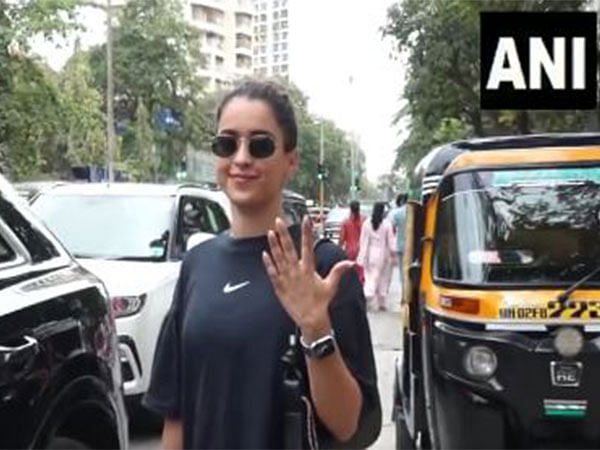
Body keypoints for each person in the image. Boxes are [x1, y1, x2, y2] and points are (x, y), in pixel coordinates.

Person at [143, 80, 381, 449]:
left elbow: (350, 425)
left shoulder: (320, 268)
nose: (241, 158)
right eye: (227, 143)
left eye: (260, 144)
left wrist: (316, 328)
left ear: (291, 160)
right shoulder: (197, 265)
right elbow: (177, 413)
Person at [357, 202, 395, 311]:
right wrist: (394, 254)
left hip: (369, 254)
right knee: (383, 278)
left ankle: (368, 294)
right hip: (383, 255)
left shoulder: (367, 223)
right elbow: (391, 242)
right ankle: (381, 302)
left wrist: (362, 255)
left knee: (370, 277)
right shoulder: (387, 224)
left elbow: (362, 240)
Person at [338, 200, 365, 283]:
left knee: (351, 274)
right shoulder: (364, 220)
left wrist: (338, 249)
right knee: (361, 274)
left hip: (350, 251)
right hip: (361, 250)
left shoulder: (345, 222)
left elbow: (341, 239)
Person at [390, 193, 408, 284]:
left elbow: (392, 228)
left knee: (401, 268)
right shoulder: (413, 211)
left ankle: (403, 284)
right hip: (411, 245)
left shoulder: (398, 213)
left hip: (400, 244)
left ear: (401, 201)